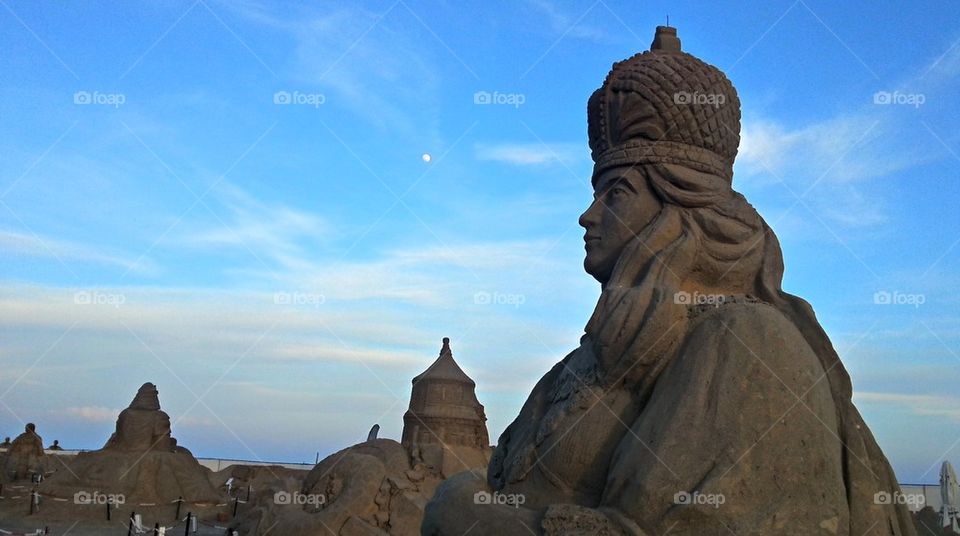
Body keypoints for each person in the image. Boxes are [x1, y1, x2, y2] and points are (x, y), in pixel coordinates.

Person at [422, 26, 916, 536]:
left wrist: (464, 511)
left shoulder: (748, 341)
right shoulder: (585, 361)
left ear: (675, 205)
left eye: (615, 194)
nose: (586, 216)